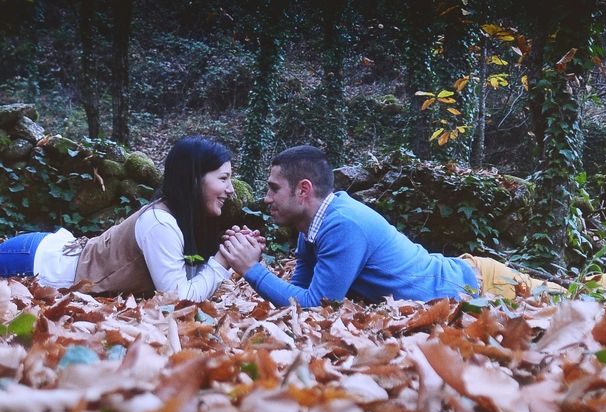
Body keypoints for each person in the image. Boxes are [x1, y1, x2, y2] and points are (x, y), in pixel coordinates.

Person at [219, 145, 563, 308]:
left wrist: (252, 269)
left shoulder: (342, 224)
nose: (265, 198)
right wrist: (255, 265)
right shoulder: (312, 226)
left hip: (479, 284)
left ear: (304, 190)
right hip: (467, 280)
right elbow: (299, 293)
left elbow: (314, 305)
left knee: (581, 298)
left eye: (273, 188)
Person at [0, 136, 242, 301]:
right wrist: (221, 261)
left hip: (42, 253)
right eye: (223, 178)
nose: (231, 189)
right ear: (194, 180)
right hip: (34, 262)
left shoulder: (177, 218)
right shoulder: (161, 224)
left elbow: (187, 280)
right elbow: (179, 298)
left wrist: (233, 254)